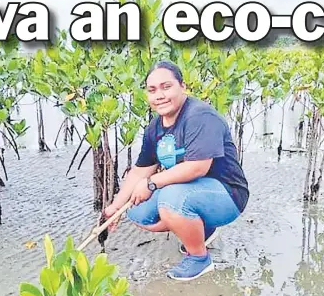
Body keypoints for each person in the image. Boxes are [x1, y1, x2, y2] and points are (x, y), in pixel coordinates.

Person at [103, 60, 249, 281]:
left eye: (166, 87)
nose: (159, 95)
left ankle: (199, 257)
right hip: (192, 193)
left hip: (227, 194)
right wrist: (115, 207)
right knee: (135, 209)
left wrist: (152, 184)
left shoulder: (200, 116)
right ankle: (200, 230)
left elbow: (198, 167)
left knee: (171, 199)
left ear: (183, 86)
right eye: (152, 90)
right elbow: (140, 171)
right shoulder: (155, 127)